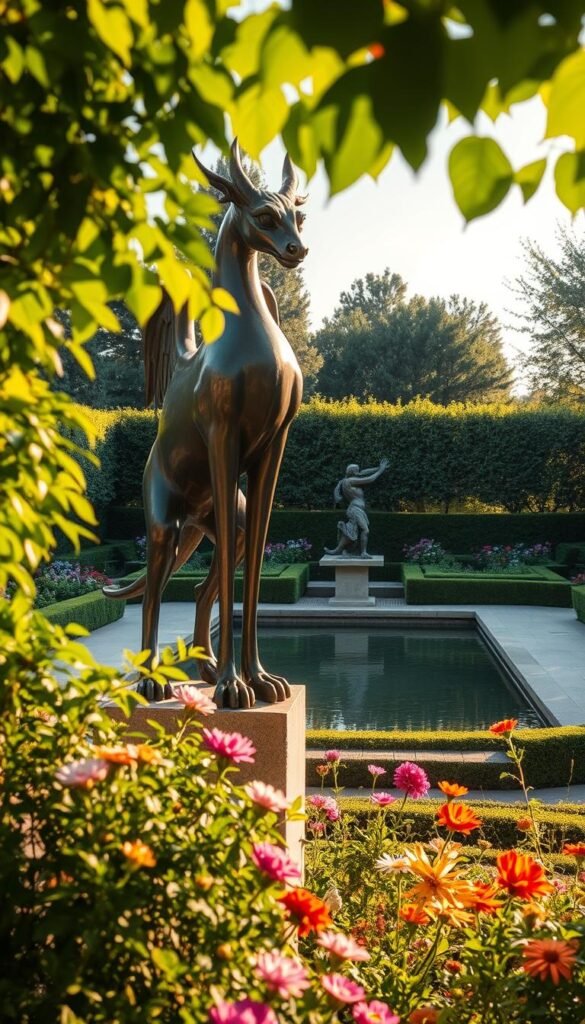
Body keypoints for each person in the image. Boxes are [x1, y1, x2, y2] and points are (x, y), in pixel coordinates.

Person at [324, 458, 389, 558]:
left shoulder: (348, 480)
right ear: (354, 472)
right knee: (364, 530)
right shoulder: (350, 480)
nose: (359, 471)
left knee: (352, 532)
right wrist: (380, 470)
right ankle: (362, 552)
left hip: (356, 509)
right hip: (355, 510)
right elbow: (369, 479)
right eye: (357, 470)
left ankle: (343, 550)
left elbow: (363, 473)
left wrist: (378, 468)